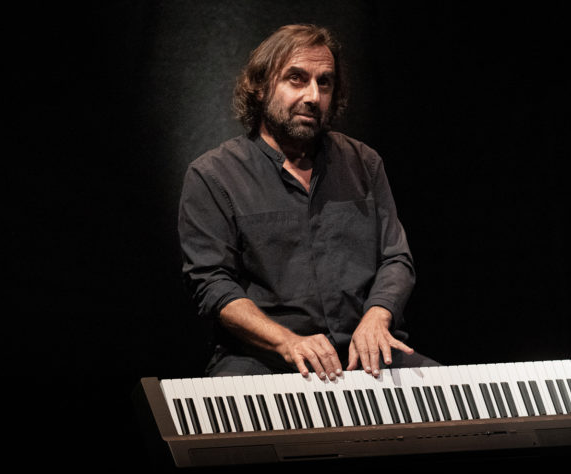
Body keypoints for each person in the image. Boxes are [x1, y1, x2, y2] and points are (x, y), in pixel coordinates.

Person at [178, 24, 439, 381]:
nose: (314, 96)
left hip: (365, 353)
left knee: (461, 405)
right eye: (296, 79)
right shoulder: (213, 176)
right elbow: (213, 284)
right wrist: (287, 342)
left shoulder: (363, 163)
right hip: (264, 360)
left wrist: (377, 315)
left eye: (324, 82)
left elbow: (395, 258)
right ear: (260, 86)